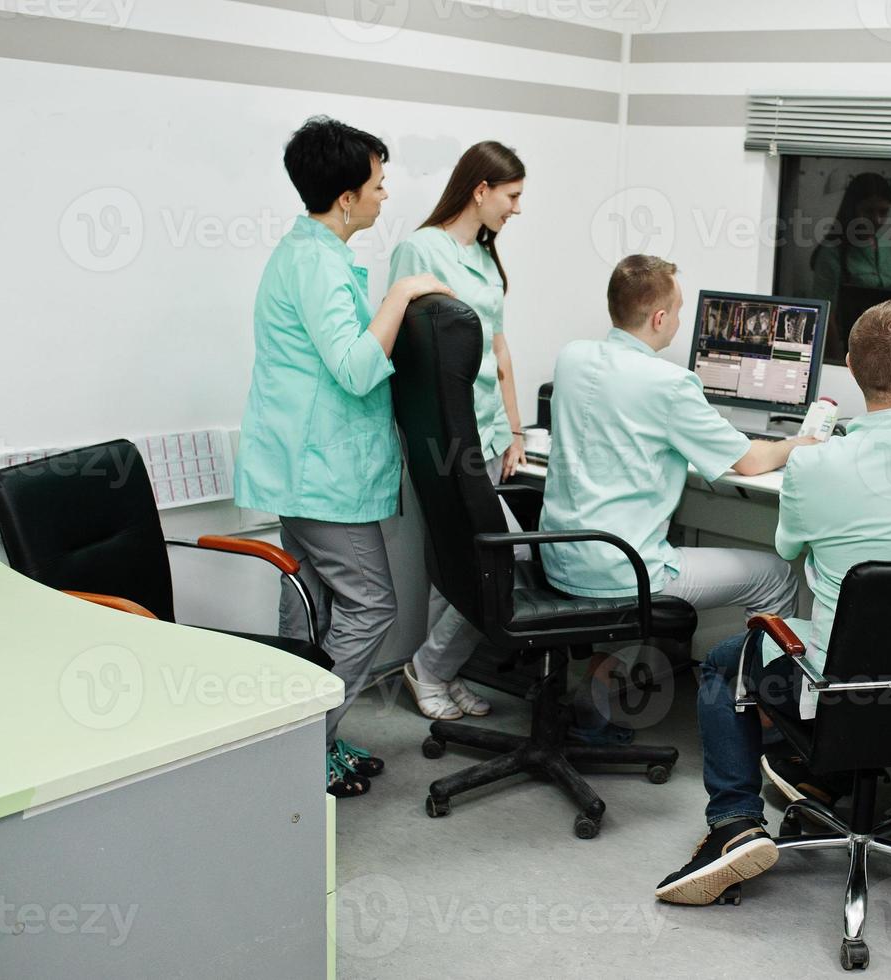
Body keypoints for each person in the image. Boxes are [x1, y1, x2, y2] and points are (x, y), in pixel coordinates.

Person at [655, 299, 891, 905]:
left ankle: (734, 824)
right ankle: (818, 781)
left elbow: (789, 547)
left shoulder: (815, 466)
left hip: (847, 696)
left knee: (728, 663)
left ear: (851, 369)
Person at [233, 116, 454, 798]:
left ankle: (303, 743)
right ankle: (304, 743)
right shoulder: (319, 264)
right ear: (346, 196)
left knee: (312, 608)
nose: (385, 196)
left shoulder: (307, 252)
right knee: (369, 606)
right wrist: (400, 292)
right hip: (321, 472)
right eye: (379, 184)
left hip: (305, 467)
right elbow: (358, 370)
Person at [539, 254, 815, 743]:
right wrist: (797, 444)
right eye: (680, 311)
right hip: (623, 569)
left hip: (560, 558)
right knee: (776, 577)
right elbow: (748, 462)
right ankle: (774, 730)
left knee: (662, 548)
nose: (681, 322)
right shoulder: (669, 385)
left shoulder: (572, 357)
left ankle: (596, 700)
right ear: (660, 318)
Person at [391, 141, 528, 723]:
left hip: (488, 432)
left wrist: (516, 431)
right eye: (512, 196)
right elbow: (405, 344)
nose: (517, 208)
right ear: (481, 190)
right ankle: (431, 667)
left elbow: (498, 348)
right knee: (485, 556)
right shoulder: (421, 250)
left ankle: (440, 671)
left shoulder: (486, 256)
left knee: (465, 565)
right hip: (444, 435)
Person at [810, 171, 891, 362]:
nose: (877, 219)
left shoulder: (885, 246)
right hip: (848, 353)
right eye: (868, 211)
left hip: (887, 353)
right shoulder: (831, 253)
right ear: (852, 209)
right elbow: (826, 317)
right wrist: (840, 362)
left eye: (883, 212)